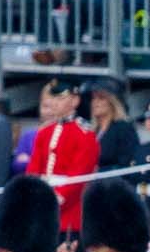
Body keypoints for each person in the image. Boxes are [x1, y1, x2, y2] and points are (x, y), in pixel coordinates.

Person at [28, 79, 101, 238]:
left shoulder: (85, 135)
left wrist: (55, 201)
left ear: (75, 100)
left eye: (60, 98)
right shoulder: (44, 132)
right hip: (41, 206)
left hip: (70, 212)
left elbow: (78, 177)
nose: (54, 103)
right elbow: (33, 170)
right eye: (53, 98)